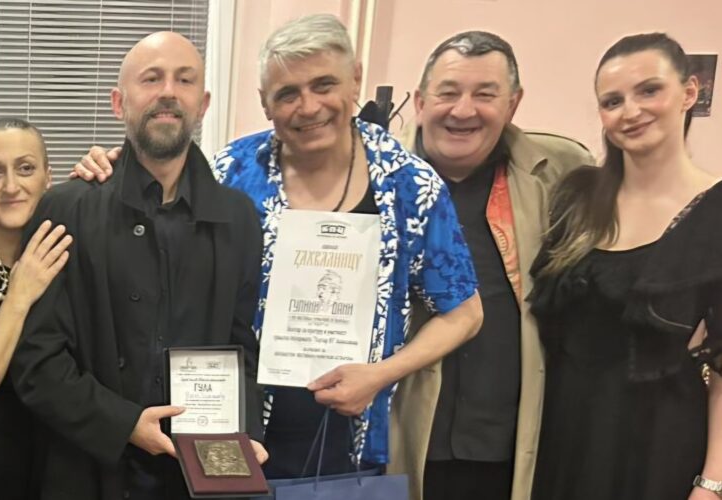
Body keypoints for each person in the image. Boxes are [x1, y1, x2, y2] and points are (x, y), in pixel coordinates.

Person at [71, 14, 484, 480]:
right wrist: (109, 165)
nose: (308, 107)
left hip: (349, 439)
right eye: (287, 94)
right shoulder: (231, 172)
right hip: (232, 430)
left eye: (324, 85)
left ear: (355, 81)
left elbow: (465, 313)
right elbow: (156, 197)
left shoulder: (410, 185)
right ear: (265, 103)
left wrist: (382, 374)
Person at [10, 32, 266, 500]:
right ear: (118, 103)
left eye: (184, 80)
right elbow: (36, 360)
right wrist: (124, 424)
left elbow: (241, 348)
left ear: (203, 104)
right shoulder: (66, 210)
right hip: (87, 470)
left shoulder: (240, 219)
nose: (168, 91)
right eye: (151, 79)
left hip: (195, 476)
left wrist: (244, 430)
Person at [390, 31, 594, 500]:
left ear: (513, 104)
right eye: (448, 92)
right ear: (420, 101)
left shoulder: (562, 174)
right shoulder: (377, 174)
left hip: (507, 442)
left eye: (485, 95)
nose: (463, 111)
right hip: (403, 429)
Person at [528, 33, 722, 500]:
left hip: (658, 449)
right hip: (561, 438)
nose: (630, 111)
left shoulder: (716, 211)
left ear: (689, 92)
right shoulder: (576, 198)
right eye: (612, 101)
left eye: (649, 90)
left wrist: (712, 483)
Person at [0, 117, 71, 500]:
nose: (11, 186)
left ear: (48, 177)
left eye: (26, 168)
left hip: (59, 472)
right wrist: (18, 296)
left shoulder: (68, 248)